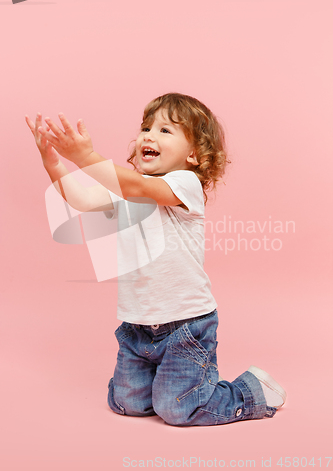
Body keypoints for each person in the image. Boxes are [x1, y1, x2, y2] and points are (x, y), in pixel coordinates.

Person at [25, 92, 286, 426]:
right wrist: (53, 162)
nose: (149, 135)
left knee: (178, 410)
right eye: (146, 127)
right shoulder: (127, 191)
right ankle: (158, 382)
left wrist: (86, 156)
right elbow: (80, 199)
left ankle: (252, 391)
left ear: (193, 154)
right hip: (138, 325)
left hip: (186, 325)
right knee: (126, 404)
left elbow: (141, 188)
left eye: (165, 130)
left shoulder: (184, 184)